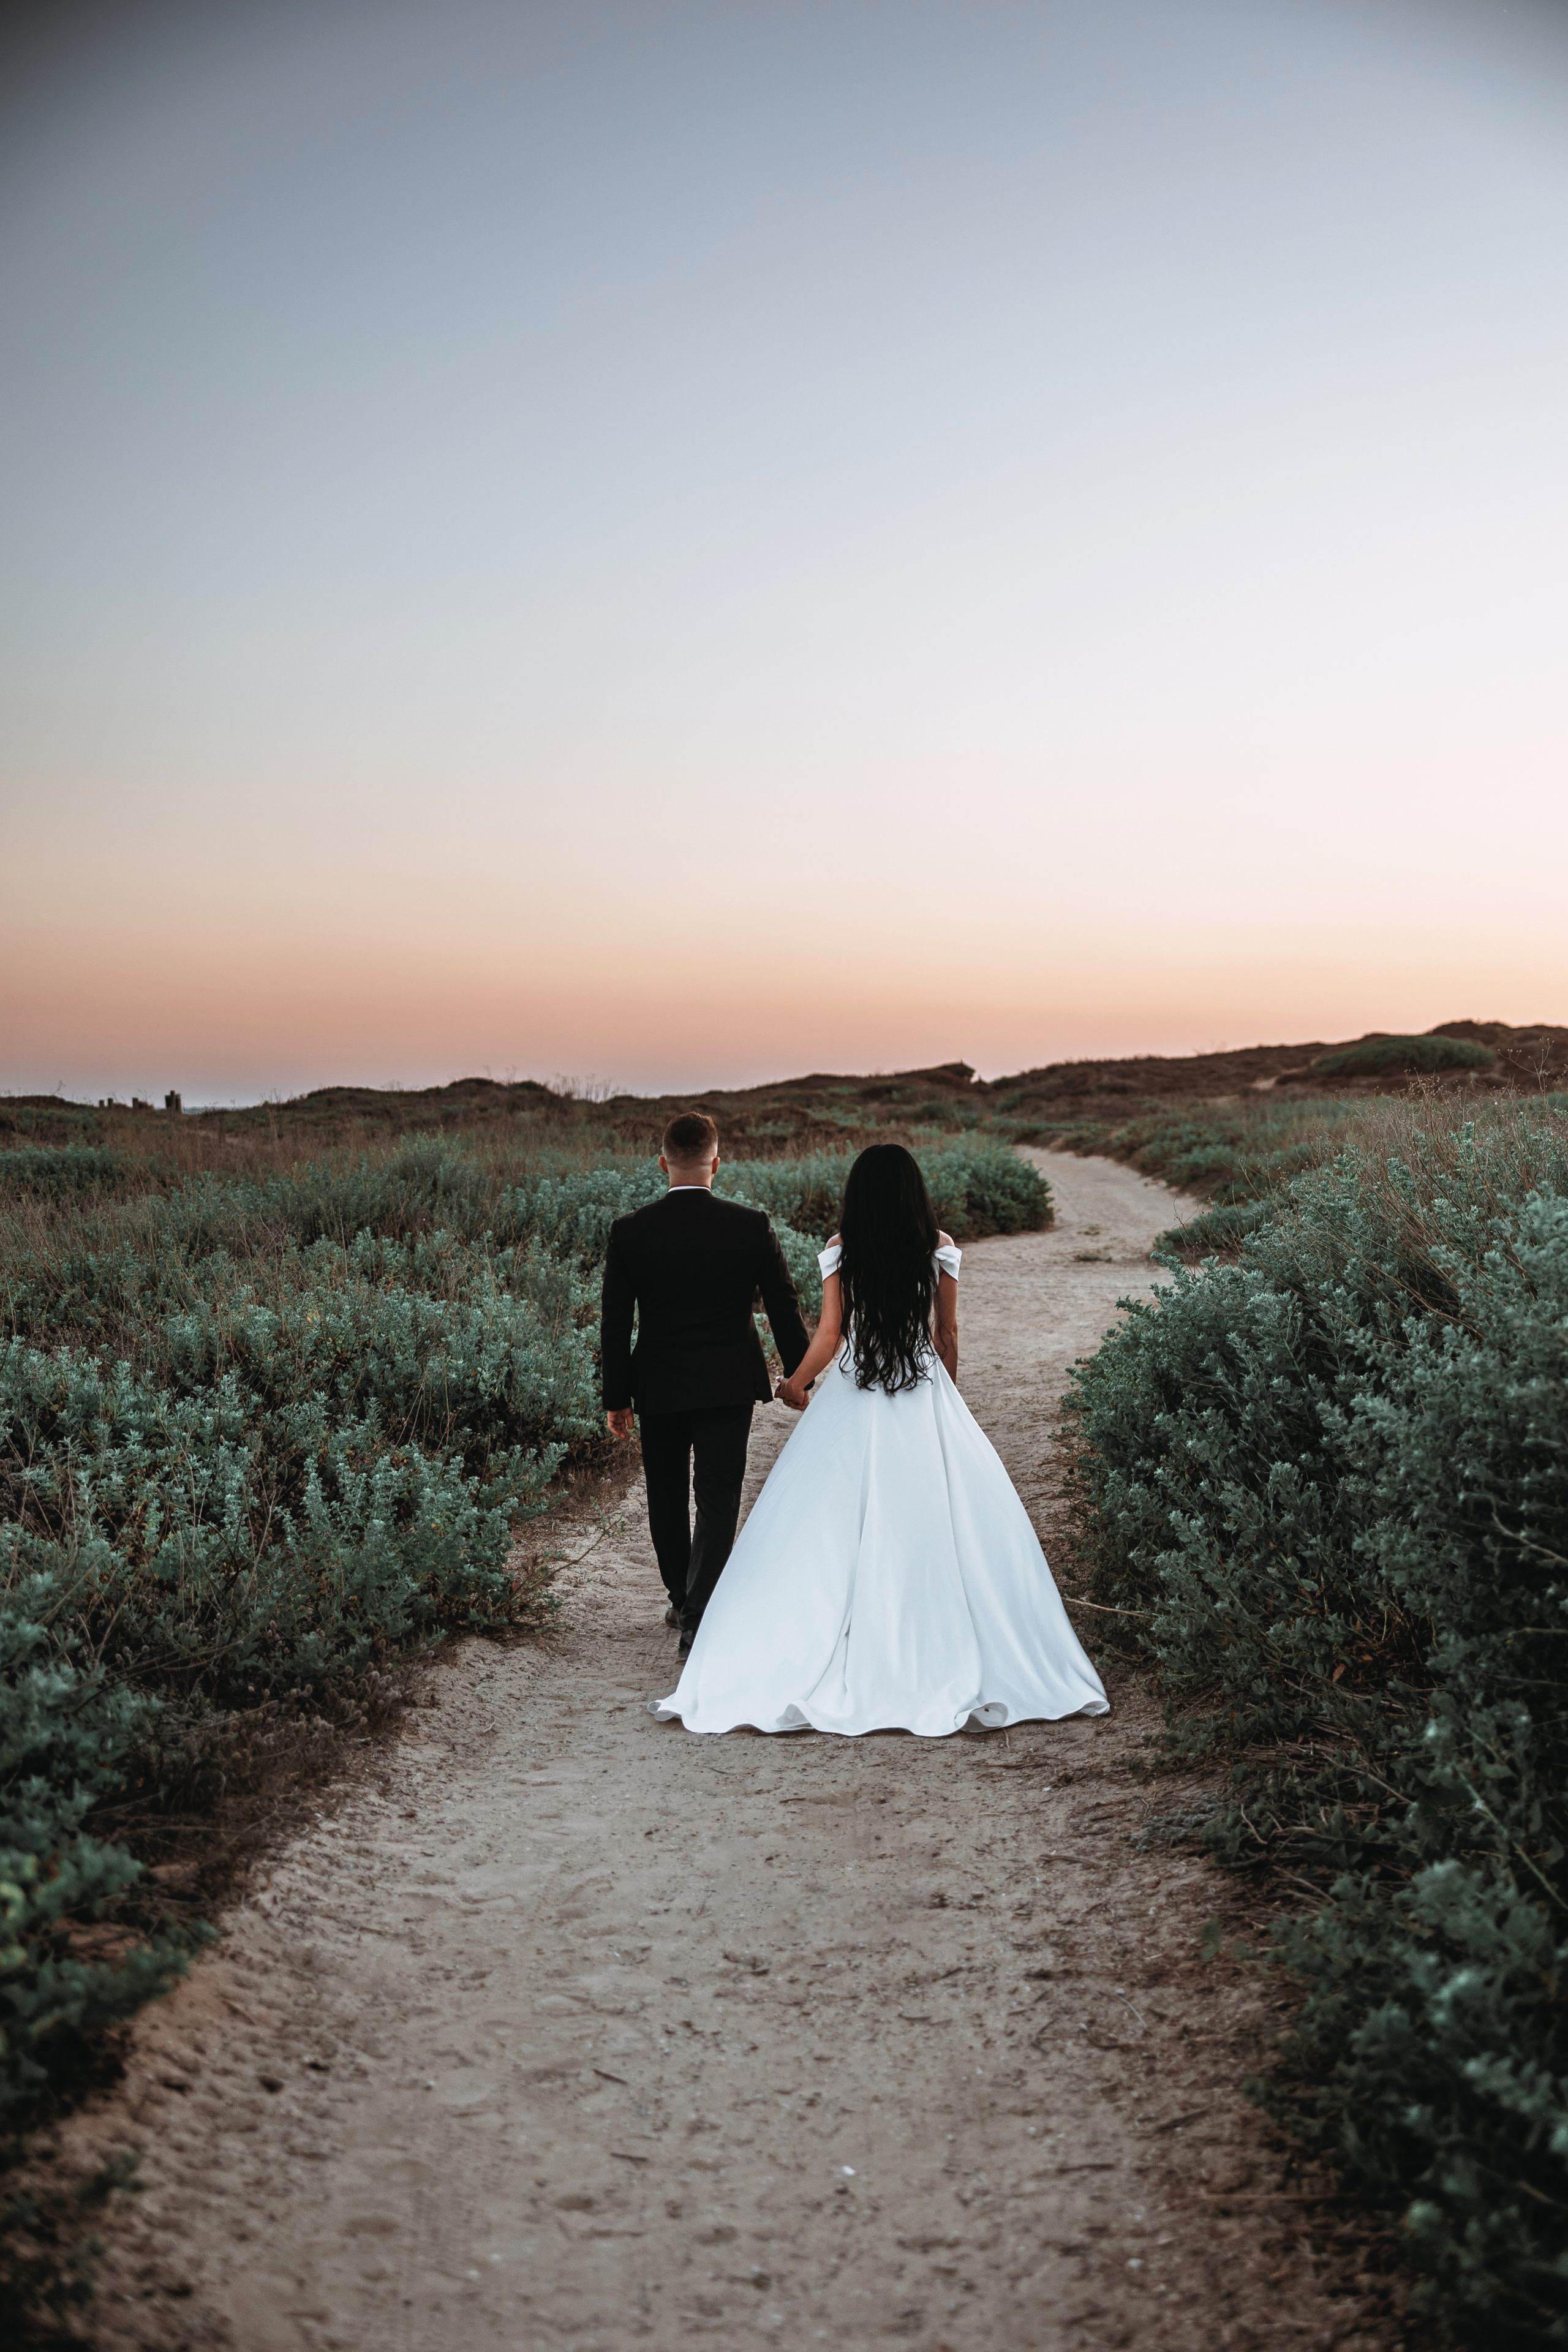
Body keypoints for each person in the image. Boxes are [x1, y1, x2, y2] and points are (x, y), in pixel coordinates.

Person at [653, 1140, 1108, 1736]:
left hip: (853, 1388)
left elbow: (830, 1336)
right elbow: (946, 1335)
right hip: (922, 1385)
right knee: (937, 1517)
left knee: (825, 1520)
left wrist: (796, 1383)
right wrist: (945, 1398)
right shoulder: (938, 1249)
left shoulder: (841, 1250)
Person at [601, 1111, 810, 1653]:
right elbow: (783, 1306)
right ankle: (700, 1614)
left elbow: (615, 1323)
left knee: (666, 1494)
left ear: (662, 1163)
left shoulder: (630, 1232)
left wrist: (617, 1397)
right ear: (716, 1164)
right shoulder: (751, 1225)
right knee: (718, 1496)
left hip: (659, 1383)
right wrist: (800, 1375)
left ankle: (681, 1599)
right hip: (728, 1383)